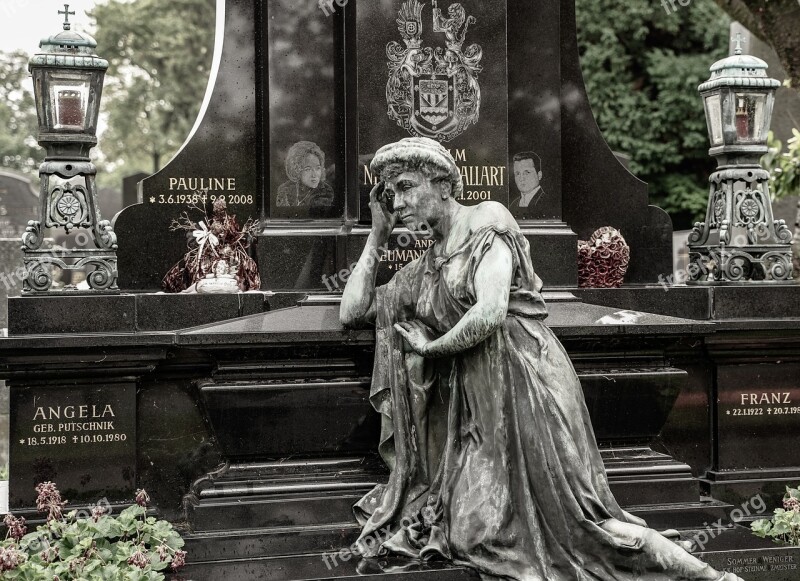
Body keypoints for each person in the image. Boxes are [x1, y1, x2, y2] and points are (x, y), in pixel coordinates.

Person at [340, 137, 742, 581]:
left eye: (405, 187)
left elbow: (490, 311)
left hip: (527, 382)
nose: (397, 202)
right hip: (480, 405)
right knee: (476, 533)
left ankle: (710, 577)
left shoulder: (487, 219)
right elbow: (353, 311)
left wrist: (431, 348)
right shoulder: (428, 264)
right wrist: (377, 235)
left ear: (442, 185)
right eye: (390, 194)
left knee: (580, 528)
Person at [275, 141, 334, 214]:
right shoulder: (284, 189)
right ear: (297, 170)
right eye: (308, 169)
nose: (314, 175)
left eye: (318, 168)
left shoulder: (325, 191)